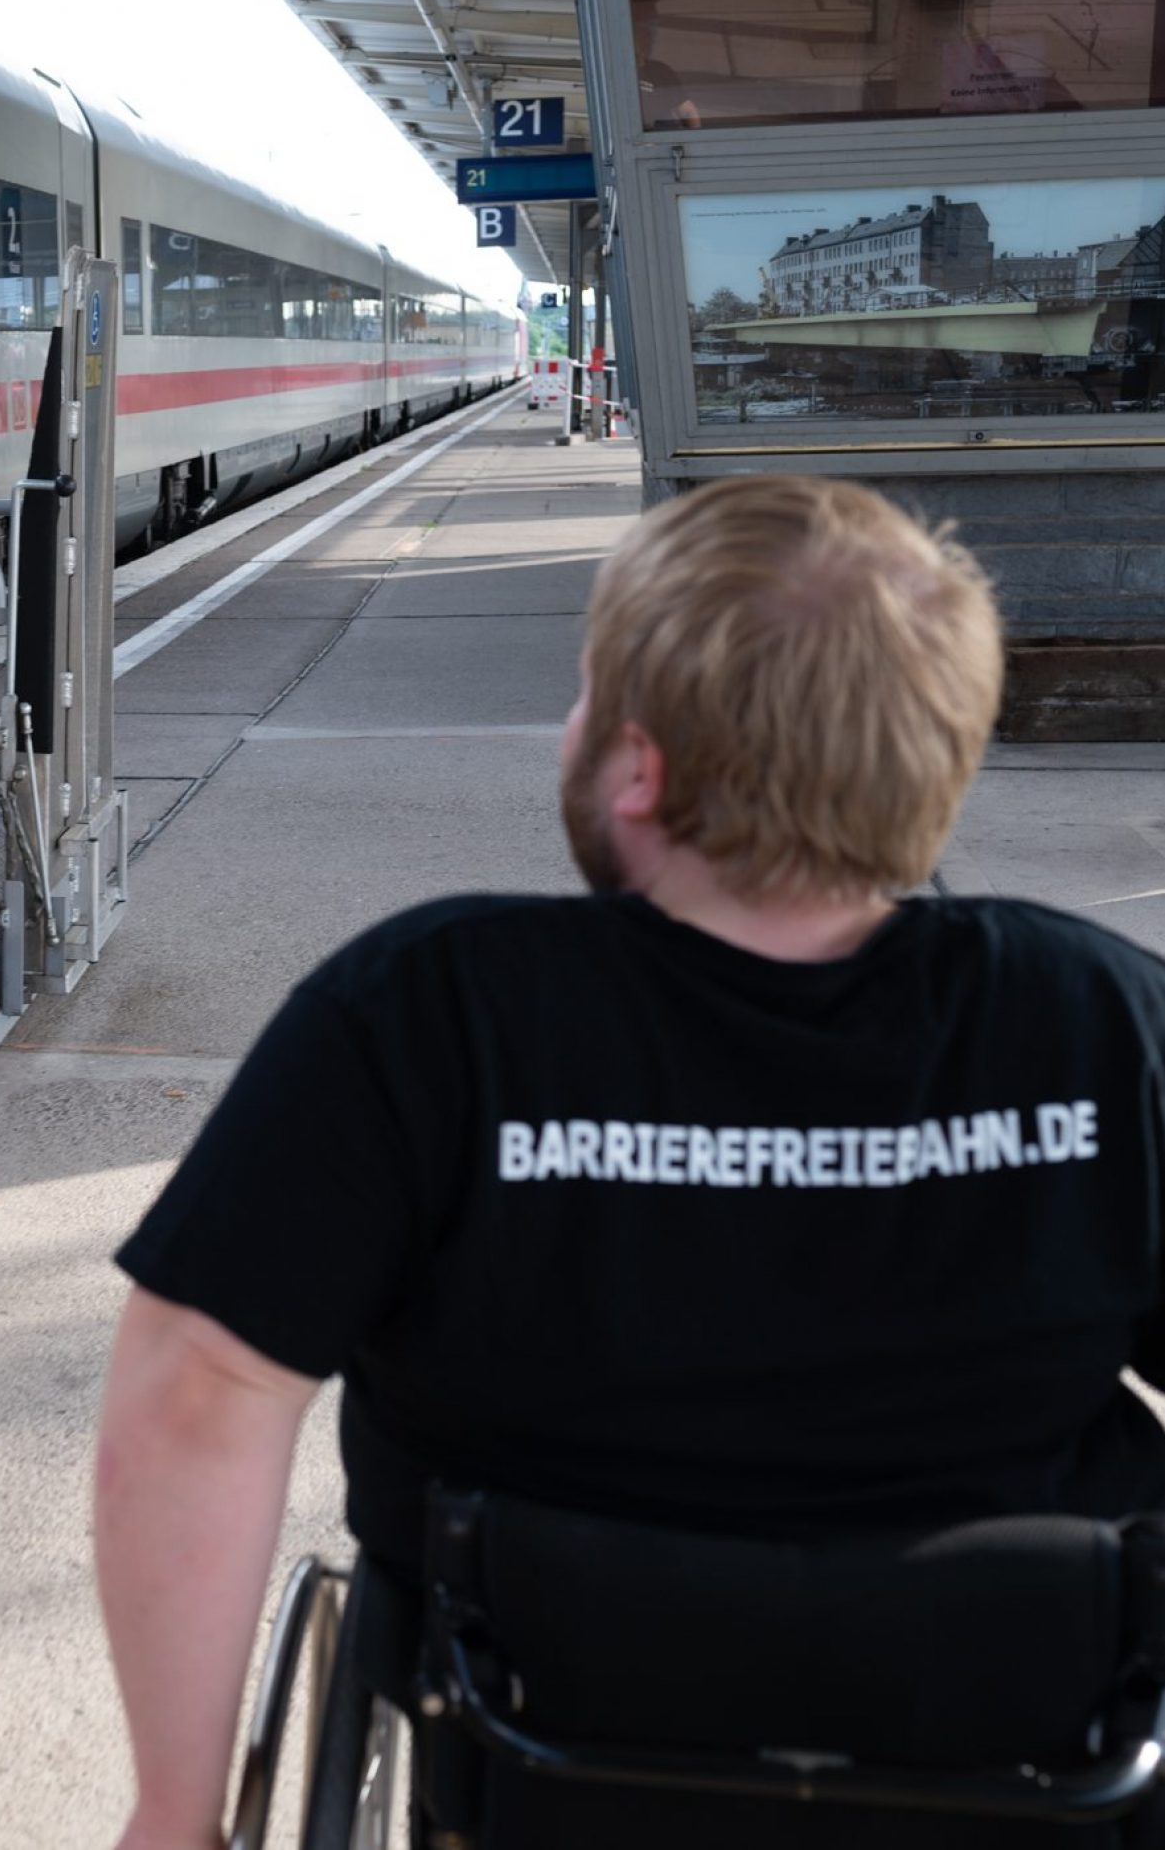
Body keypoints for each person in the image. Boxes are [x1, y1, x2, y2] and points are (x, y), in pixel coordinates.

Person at [94, 474, 1165, 1848]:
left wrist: (176, 1816)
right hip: (1033, 1772)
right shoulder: (1096, 1026)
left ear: (640, 767)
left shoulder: (425, 1016)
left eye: (585, 695)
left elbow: (198, 1392)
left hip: (539, 1766)